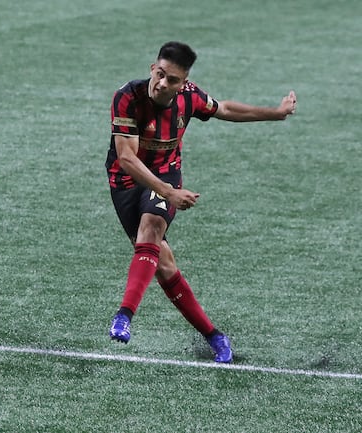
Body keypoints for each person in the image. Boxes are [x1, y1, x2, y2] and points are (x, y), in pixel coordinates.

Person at [106, 41, 297, 363]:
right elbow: (126, 159)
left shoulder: (189, 97)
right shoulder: (128, 96)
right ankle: (214, 335)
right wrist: (169, 194)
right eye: (161, 74)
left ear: (184, 82)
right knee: (164, 266)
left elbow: (225, 109)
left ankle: (124, 316)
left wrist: (275, 114)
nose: (163, 83)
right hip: (126, 181)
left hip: (166, 173)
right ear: (153, 68)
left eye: (173, 79)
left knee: (150, 229)